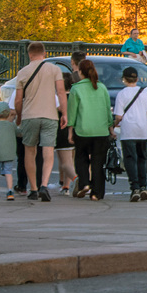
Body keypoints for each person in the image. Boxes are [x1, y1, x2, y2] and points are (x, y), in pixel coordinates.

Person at [12, 42, 67, 201]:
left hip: (30, 116)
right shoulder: (55, 69)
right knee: (48, 151)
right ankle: (44, 184)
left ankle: (33, 189)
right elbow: (61, 93)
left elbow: (17, 100)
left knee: (29, 151)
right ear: (45, 53)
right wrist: (64, 114)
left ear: (30, 54)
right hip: (50, 115)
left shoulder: (22, 72)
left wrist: (19, 116)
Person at [67, 58, 114, 201]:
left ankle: (84, 184)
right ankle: (97, 193)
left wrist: (70, 131)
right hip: (101, 131)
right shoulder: (102, 88)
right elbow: (107, 111)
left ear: (80, 72)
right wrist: (110, 129)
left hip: (83, 130)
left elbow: (72, 113)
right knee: (98, 163)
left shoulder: (76, 88)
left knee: (81, 158)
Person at [112, 66, 147, 202]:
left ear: (123, 79)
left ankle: (135, 187)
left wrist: (112, 126)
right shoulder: (144, 93)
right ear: (137, 79)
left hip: (128, 132)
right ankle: (144, 187)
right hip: (142, 131)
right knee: (142, 159)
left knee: (131, 159)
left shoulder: (122, 94)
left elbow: (118, 116)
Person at [55, 51, 86, 196]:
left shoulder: (59, 99)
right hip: (77, 129)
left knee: (64, 161)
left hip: (62, 131)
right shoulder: (75, 95)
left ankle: (77, 180)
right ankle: (66, 186)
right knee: (72, 159)